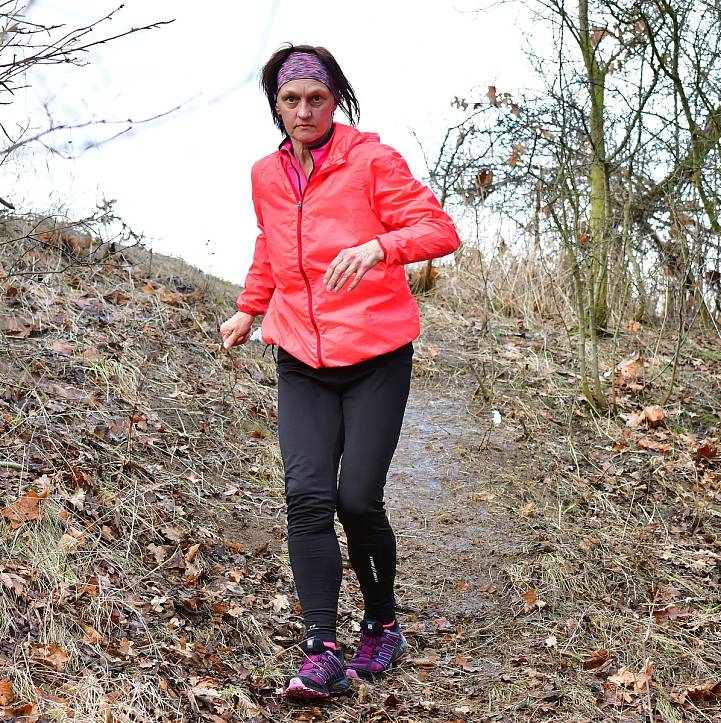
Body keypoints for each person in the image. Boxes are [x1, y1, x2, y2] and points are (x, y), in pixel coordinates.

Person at [219, 44, 460, 701]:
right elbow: (271, 241)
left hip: (376, 355)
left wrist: (379, 245)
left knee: (356, 498)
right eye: (292, 99)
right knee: (307, 496)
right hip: (300, 355)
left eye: (316, 99)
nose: (304, 110)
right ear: (276, 102)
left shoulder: (372, 162)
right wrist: (250, 308)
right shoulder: (265, 174)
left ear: (336, 101)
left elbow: (439, 229)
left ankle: (382, 622)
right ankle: (320, 648)